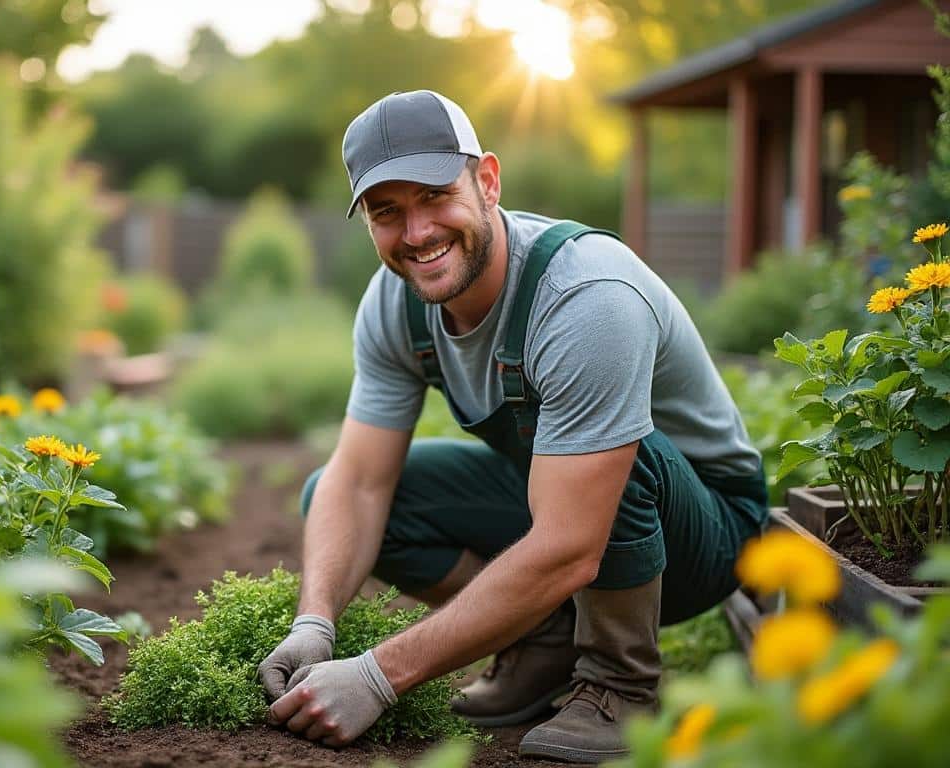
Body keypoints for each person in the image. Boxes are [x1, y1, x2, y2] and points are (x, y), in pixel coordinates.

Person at [257, 90, 767, 763]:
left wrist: (377, 676)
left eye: (435, 196)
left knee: (619, 455)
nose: (416, 234)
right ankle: (546, 640)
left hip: (702, 538)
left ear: (488, 181)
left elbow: (571, 543)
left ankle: (620, 684)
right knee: (331, 488)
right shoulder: (396, 303)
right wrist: (315, 623)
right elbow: (357, 484)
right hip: (562, 502)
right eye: (388, 213)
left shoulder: (586, 298)